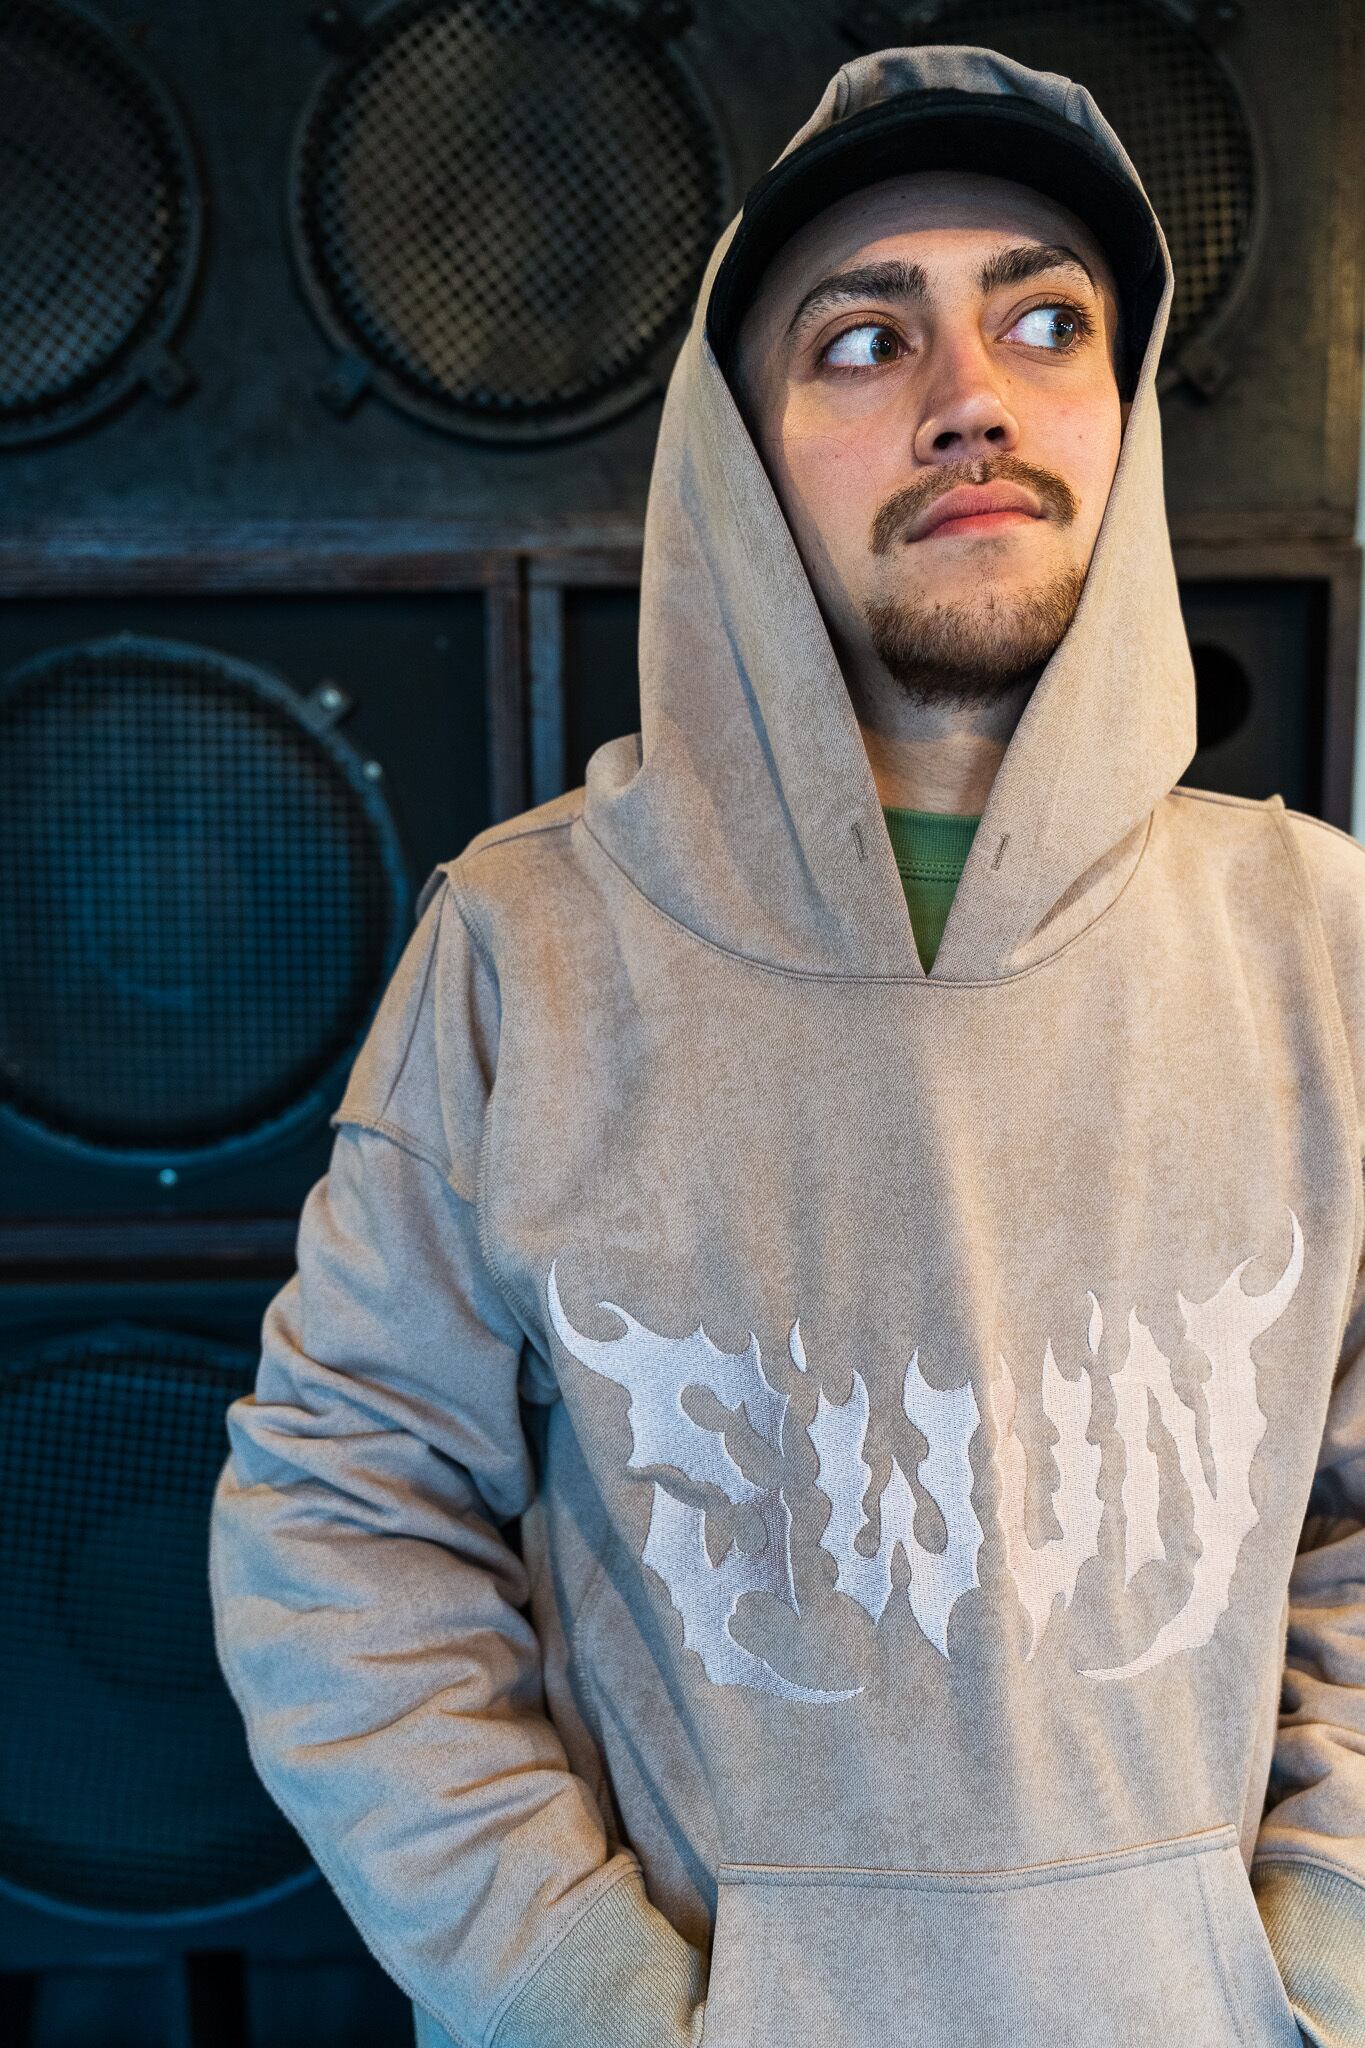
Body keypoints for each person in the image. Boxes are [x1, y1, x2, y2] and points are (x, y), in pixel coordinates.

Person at [208, 42, 1365, 2048]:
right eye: (861, 341)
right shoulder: (528, 947)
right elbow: (340, 1524)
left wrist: (1322, 1949)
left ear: (1119, 410)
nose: (967, 396)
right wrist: (578, 1993)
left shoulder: (1314, 940)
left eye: (1044, 323)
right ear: (737, 456)